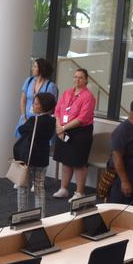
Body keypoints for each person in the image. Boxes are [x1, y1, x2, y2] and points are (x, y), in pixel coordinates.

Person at [52, 68, 97, 200]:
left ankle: (79, 192)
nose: (77, 79)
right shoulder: (67, 93)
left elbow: (82, 118)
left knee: (78, 163)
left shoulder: (89, 97)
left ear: (86, 80)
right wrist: (59, 126)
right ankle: (64, 188)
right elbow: (58, 110)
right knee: (66, 161)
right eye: (75, 77)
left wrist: (63, 128)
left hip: (80, 132)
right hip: (64, 129)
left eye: (81, 77)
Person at [13, 91, 57, 212]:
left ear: (43, 106)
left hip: (29, 157)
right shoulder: (52, 121)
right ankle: (40, 216)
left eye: (36, 103)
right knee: (39, 187)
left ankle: (21, 215)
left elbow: (21, 129)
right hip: (42, 158)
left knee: (23, 187)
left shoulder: (34, 120)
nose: (33, 105)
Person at [15, 58, 58, 137]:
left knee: (36, 144)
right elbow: (23, 100)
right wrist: (24, 117)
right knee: (22, 145)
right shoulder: (29, 81)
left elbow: (51, 107)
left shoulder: (50, 86)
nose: (32, 68)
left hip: (39, 122)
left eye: (35, 67)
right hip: (25, 119)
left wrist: (41, 120)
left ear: (41, 69)